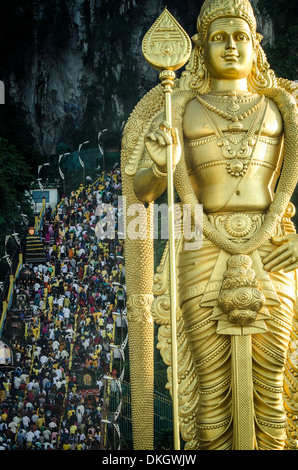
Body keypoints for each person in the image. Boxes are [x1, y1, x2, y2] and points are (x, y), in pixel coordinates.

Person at [122, 0, 298, 451]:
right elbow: (140, 191)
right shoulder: (177, 105)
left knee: (273, 383)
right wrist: (161, 168)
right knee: (210, 389)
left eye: (241, 35)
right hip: (201, 244)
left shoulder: (283, 102)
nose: (232, 46)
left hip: (273, 241)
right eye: (219, 38)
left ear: (256, 43)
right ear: (200, 48)